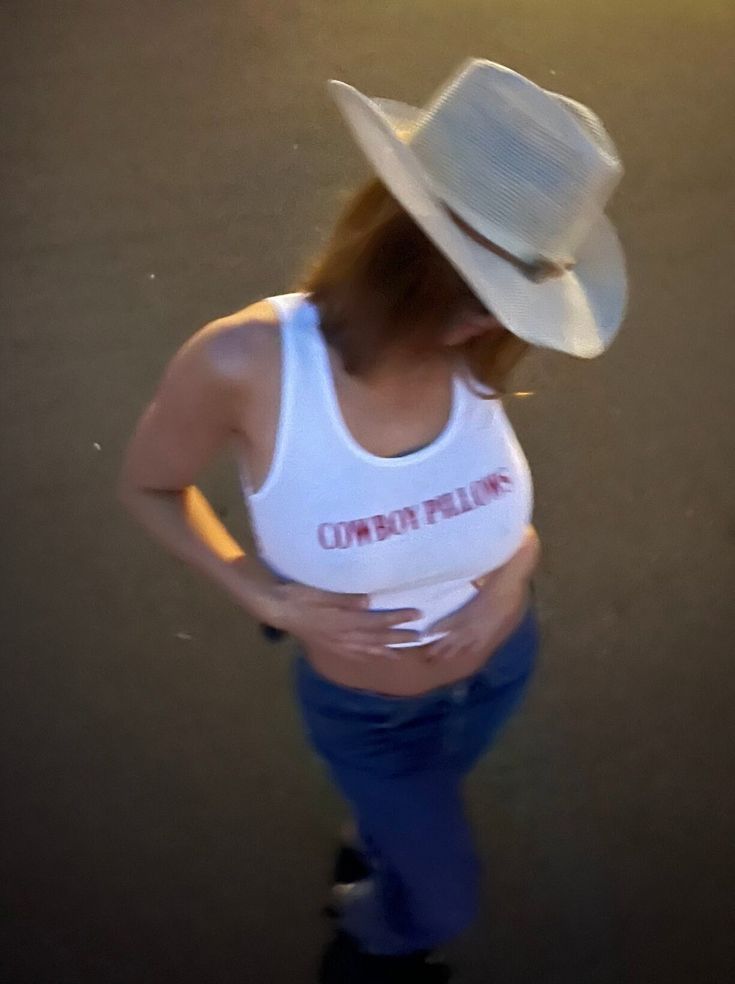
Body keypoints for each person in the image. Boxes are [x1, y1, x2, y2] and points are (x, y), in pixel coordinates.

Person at [118, 58, 627, 983]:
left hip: (500, 669)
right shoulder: (248, 362)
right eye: (480, 295)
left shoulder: (475, 352)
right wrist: (267, 597)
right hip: (372, 714)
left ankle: (375, 837)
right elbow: (150, 486)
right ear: (403, 249)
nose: (492, 327)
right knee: (442, 902)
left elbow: (510, 529)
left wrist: (510, 577)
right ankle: (372, 936)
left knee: (408, 824)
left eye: (512, 299)